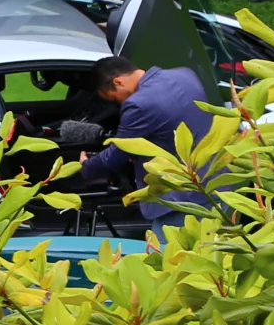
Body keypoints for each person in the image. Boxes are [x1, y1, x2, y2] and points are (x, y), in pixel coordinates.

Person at [72, 54, 217, 227]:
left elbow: (118, 153)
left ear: (118, 82)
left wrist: (87, 166)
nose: (119, 103)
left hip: (181, 197)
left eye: (114, 98)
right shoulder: (185, 74)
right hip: (213, 181)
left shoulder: (138, 104)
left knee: (164, 251)